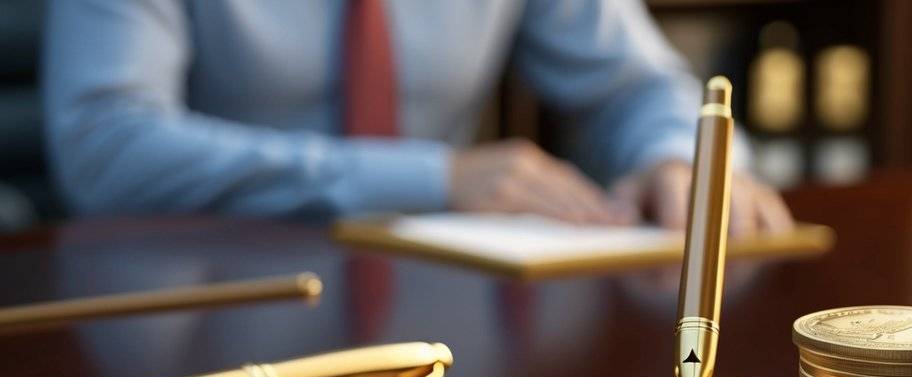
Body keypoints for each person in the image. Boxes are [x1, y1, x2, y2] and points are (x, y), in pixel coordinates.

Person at [43, 0, 793, 234]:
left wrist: (678, 157)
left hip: (437, 310)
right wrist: (430, 178)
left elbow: (640, 84)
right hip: (206, 297)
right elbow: (104, 145)